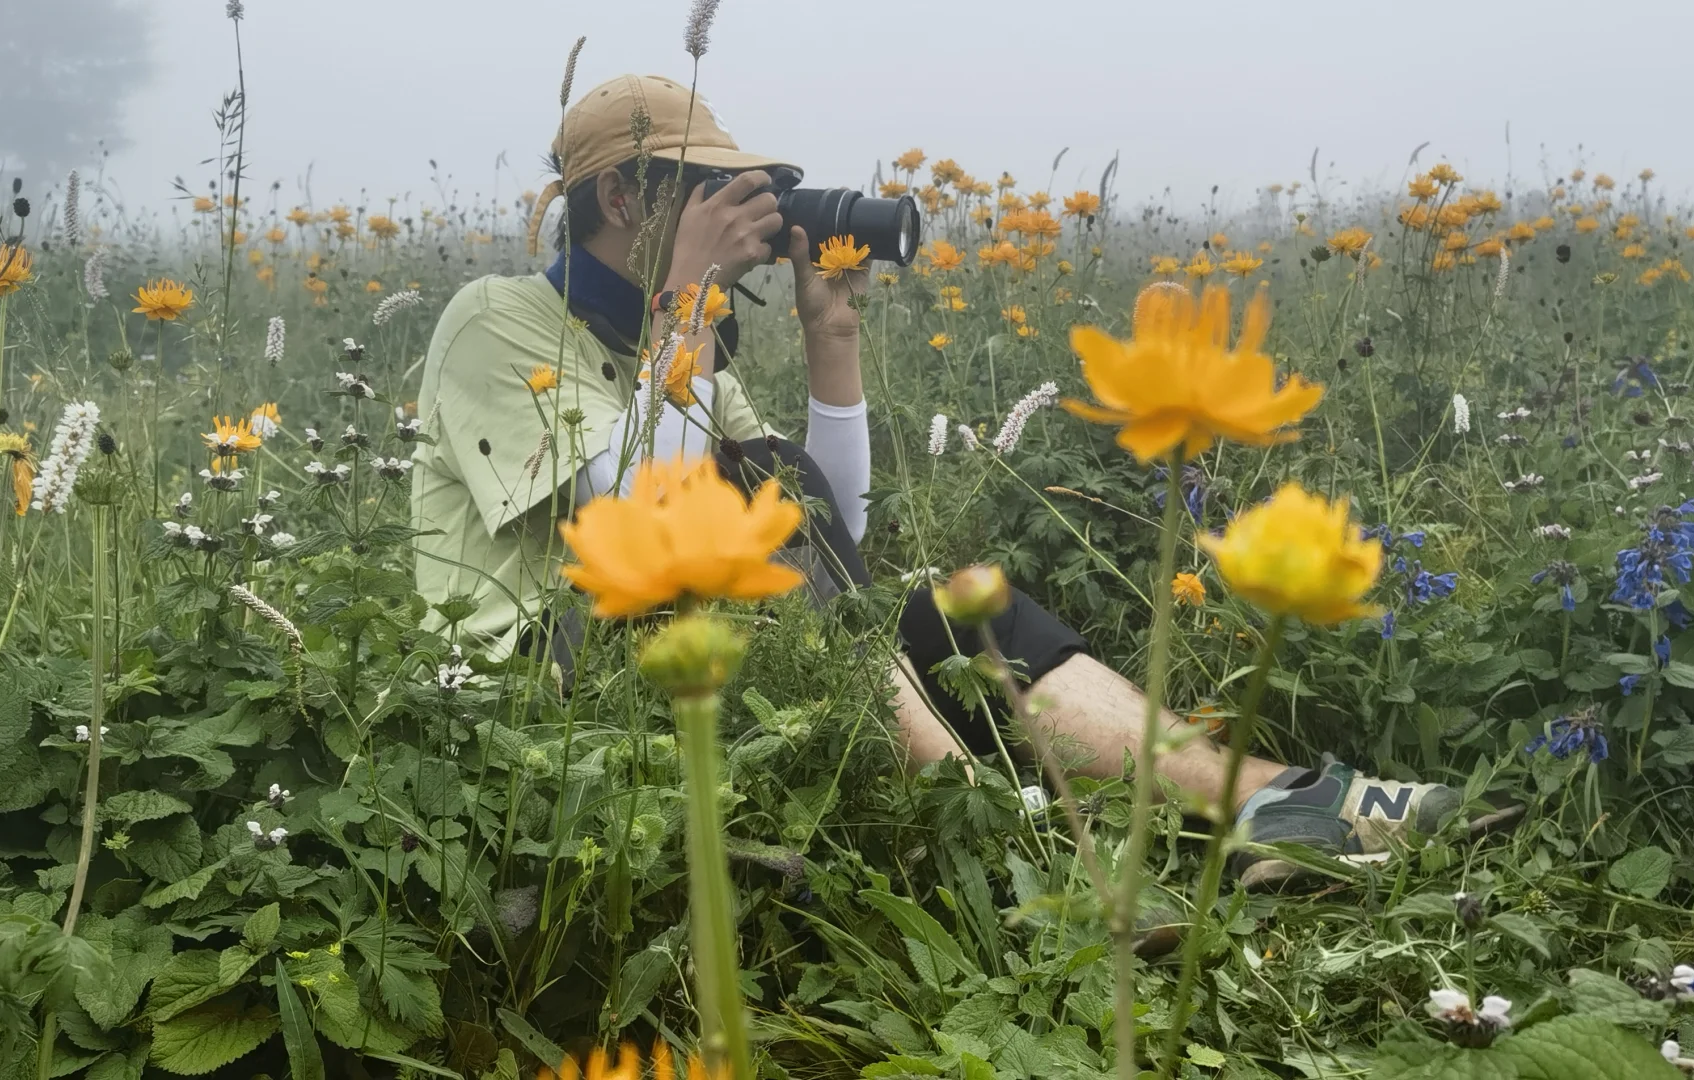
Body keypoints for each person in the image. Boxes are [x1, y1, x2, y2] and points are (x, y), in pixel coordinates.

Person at [411, 74, 1491, 886]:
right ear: (623, 196)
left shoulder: (674, 336)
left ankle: (1269, 808)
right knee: (775, 553)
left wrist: (830, 342)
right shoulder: (497, 320)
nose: (743, 214)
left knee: (937, 594)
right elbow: (641, 525)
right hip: (533, 699)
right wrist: (687, 301)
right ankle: (1018, 855)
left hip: (696, 651)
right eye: (712, 192)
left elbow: (837, 534)